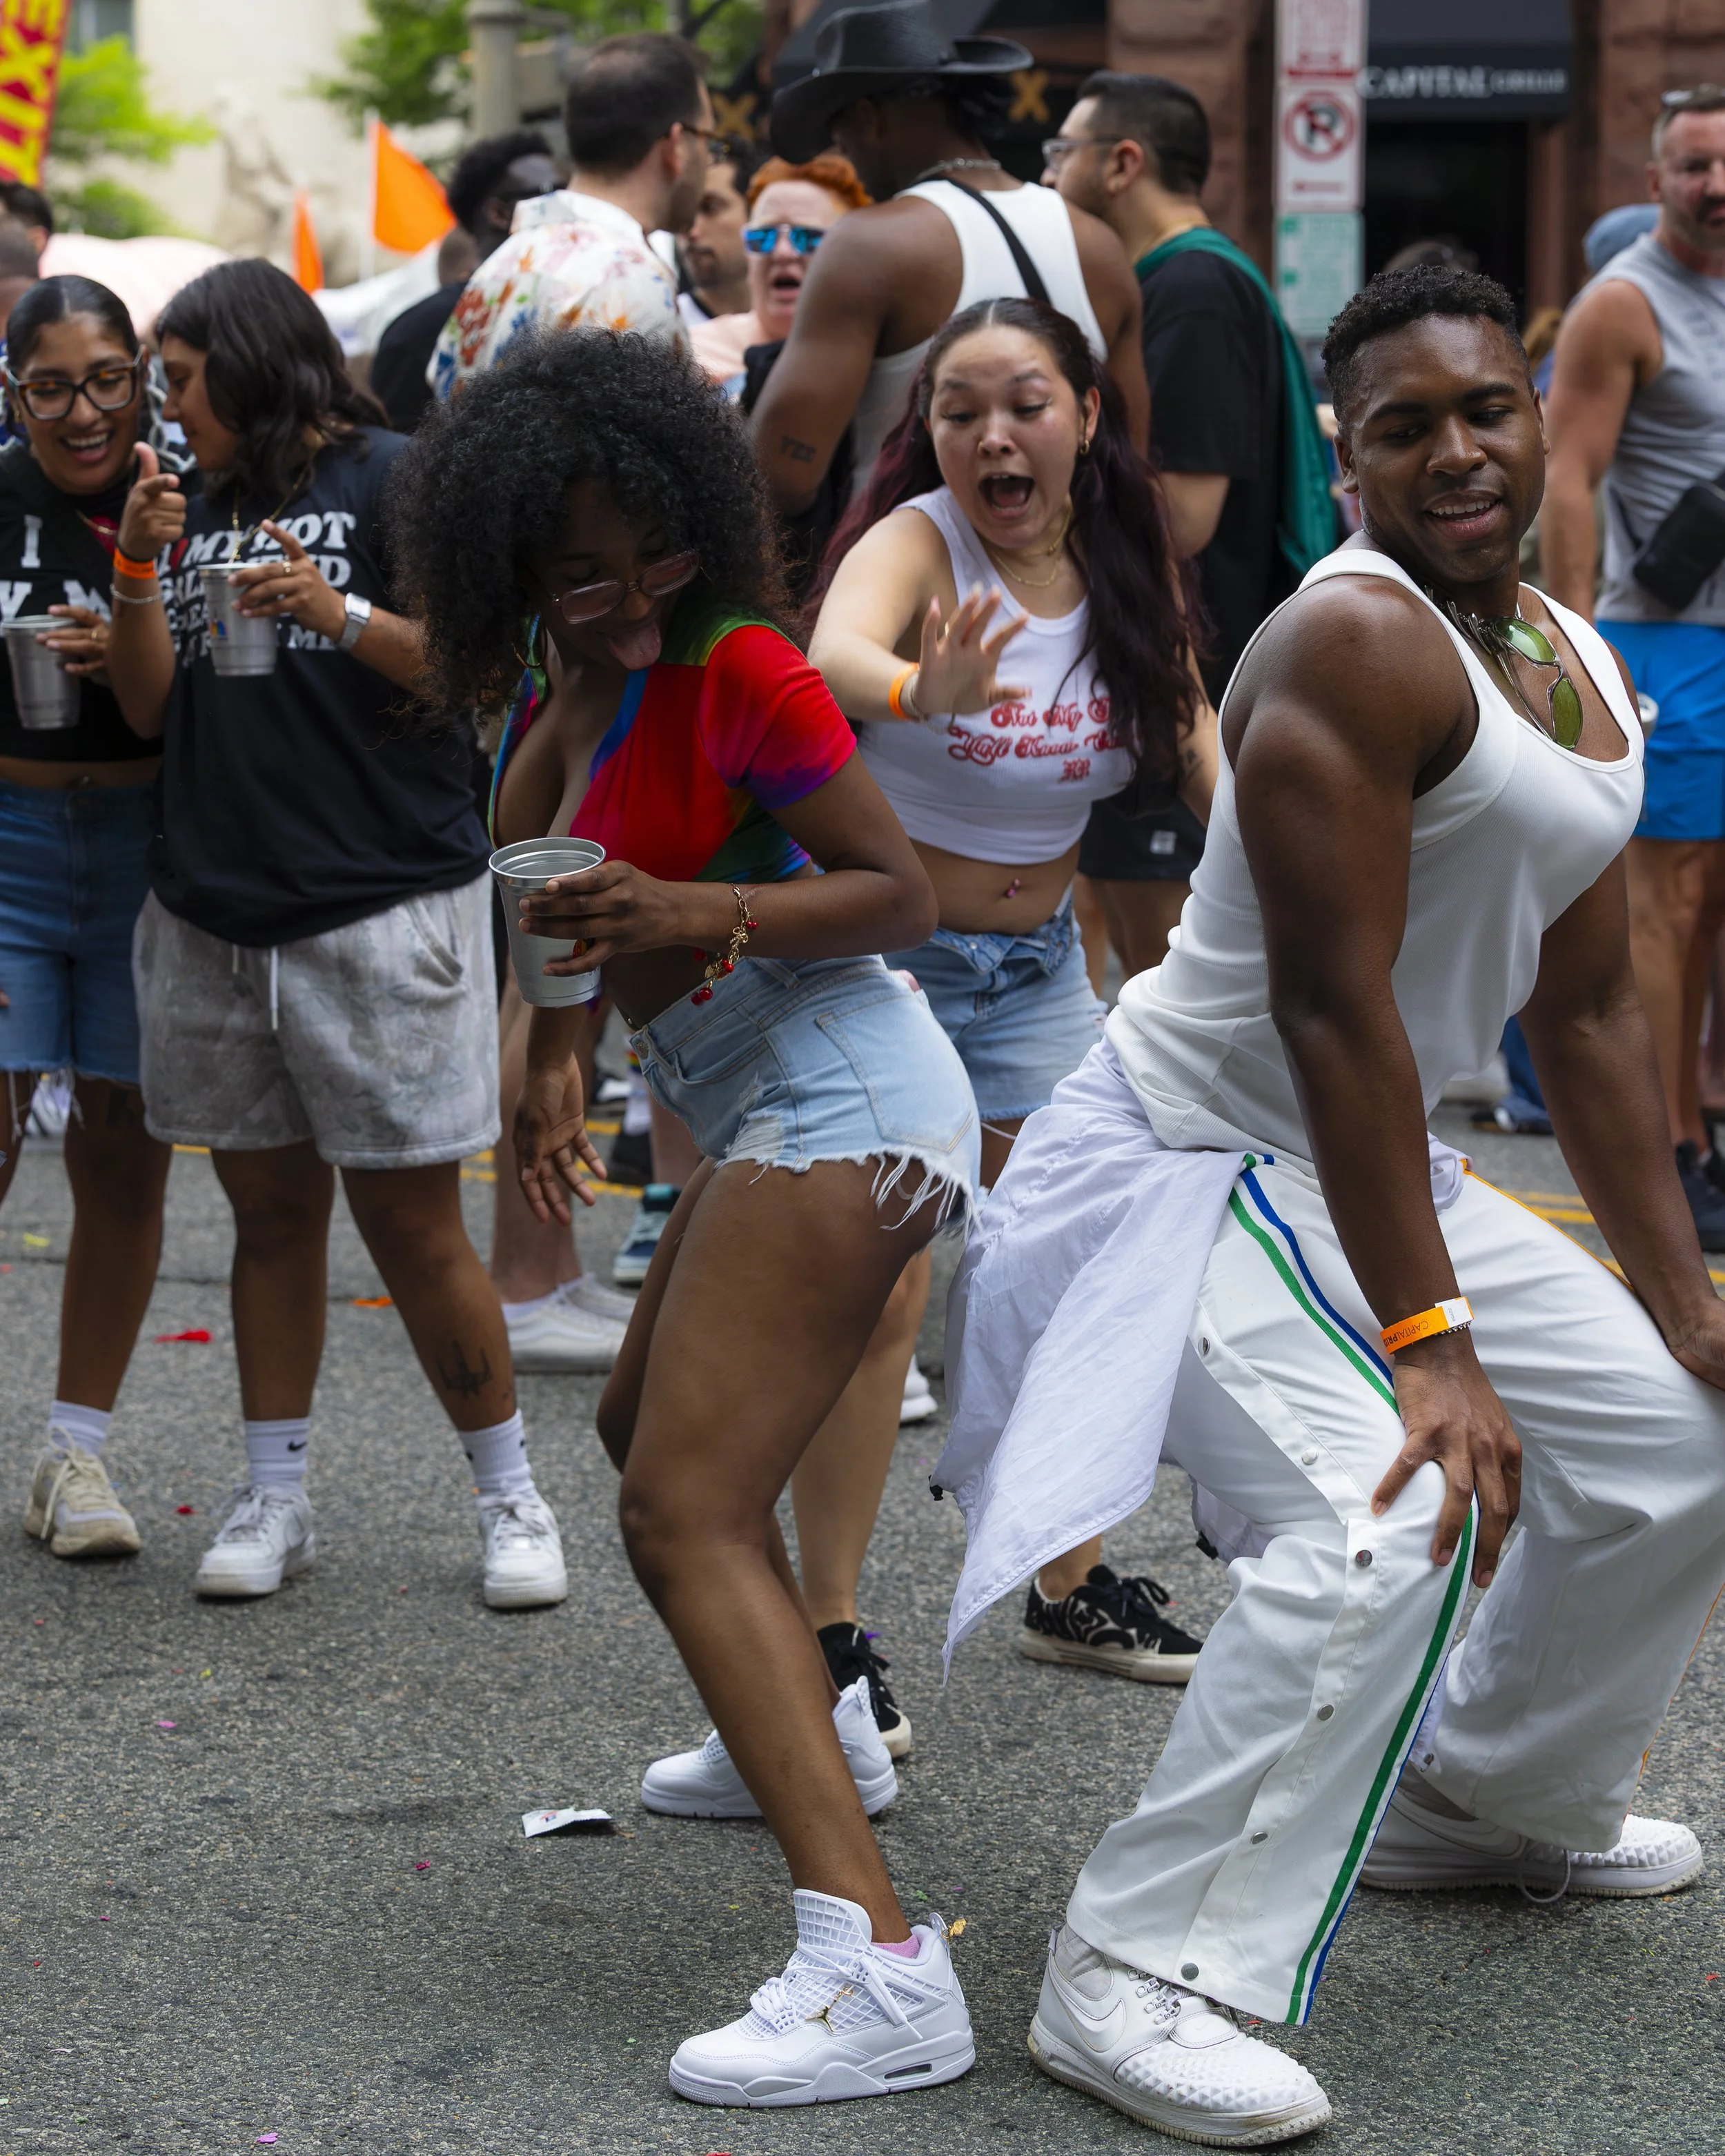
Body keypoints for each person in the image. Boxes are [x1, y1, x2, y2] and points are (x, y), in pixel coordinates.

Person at [933, 263, 1725, 2145]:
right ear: (1342, 458)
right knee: (1390, 1514)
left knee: (1668, 1441)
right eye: (1402, 427)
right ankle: (1129, 1966)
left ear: (1536, 413)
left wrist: (1683, 1294)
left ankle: (1487, 1799)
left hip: (1364, 1160)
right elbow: (1331, 1010)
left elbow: (1589, 1008)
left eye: (1484, 409)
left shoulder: (1565, 648)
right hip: (1193, 1160)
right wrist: (1430, 1344)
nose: (1455, 452)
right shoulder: (1356, 643)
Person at [388, 326, 981, 2108]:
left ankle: (876, 1966)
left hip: (842, 1082)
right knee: (643, 1427)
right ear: (515, 573)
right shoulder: (554, 682)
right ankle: (800, 1727)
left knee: (678, 1506)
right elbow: (567, 893)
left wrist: (689, 913)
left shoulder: (737, 664)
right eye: (582, 570)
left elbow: (900, 892)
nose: (630, 592)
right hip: (746, 1096)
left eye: (650, 550)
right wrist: (553, 1053)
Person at [100, 259, 568, 1614]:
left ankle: (511, 1496)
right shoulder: (183, 506)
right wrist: (135, 564)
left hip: (380, 900)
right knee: (268, 1215)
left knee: (413, 1222)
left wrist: (336, 613)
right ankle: (276, 1496)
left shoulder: (394, 478)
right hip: (216, 908)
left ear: (255, 363)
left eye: (183, 381)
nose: (169, 409)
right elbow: (147, 708)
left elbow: (487, 675)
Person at [809, 294, 1215, 1690]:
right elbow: (833, 656)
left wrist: (1268, 855)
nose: (993, 434)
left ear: (1085, 417)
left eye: (1025, 404)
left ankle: (1067, 1582)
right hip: (891, 967)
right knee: (880, 1298)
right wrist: (919, 689)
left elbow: (1189, 725)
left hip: (1039, 971)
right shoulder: (916, 542)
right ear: (928, 431)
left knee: (1068, 1264)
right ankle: (827, 1632)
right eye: (960, 409)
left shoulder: (1119, 553)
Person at [1047, 72, 1332, 980]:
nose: (1048, 173)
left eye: (1062, 152)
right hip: (1169, 673)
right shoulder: (1182, 280)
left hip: (1187, 678)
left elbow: (1185, 515)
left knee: (1167, 973)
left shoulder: (1193, 287)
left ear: (1122, 163)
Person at [1, 276, 172, 1562]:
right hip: (5, 843)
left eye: (106, 379)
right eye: (50, 388)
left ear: (142, 374)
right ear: (13, 397)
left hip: (144, 850)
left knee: (121, 1158)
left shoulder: (183, 497)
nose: (82, 413)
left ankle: (75, 1456)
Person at [1544, 85, 1725, 1246]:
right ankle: (1669, 1152)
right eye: (1695, 165)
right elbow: (1570, 475)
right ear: (1656, 181)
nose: (1717, 185)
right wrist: (1572, 647)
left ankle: (1702, 1119)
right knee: (1667, 902)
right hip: (1665, 637)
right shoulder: (1622, 303)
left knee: (1714, 908)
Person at [751, 0, 1149, 518]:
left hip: (911, 566)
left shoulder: (869, 245)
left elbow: (779, 475)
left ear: (868, 119)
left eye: (840, 136)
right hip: (1073, 562)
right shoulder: (1099, 245)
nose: (844, 155)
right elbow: (1130, 461)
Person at [431, 33, 713, 398]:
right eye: (708, 139)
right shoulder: (629, 280)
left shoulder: (499, 267)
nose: (709, 158)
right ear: (677, 145)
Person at [369, 128, 558, 434]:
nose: (570, 206)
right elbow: (399, 451)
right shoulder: (417, 332)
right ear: (498, 213)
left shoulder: (580, 293)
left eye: (571, 192)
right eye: (550, 193)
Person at [689, 154, 869, 389]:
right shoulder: (694, 357)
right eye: (763, 237)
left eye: (807, 238)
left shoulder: (883, 360)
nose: (782, 252)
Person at [678, 137, 759, 330]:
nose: (691, 230)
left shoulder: (803, 326)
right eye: (683, 210)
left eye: (711, 207)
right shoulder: (659, 331)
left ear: (756, 213)